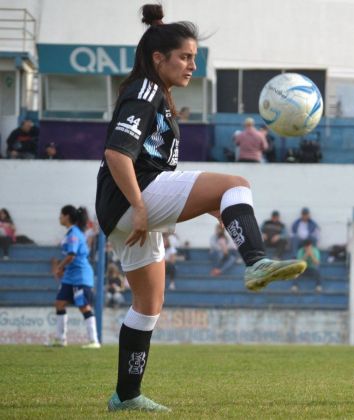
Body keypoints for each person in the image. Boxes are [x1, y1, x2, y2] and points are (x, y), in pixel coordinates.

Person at [94, 5, 306, 412]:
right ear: (160, 59)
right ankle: (257, 261)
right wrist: (139, 207)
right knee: (237, 183)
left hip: (122, 207)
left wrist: (219, 210)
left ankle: (126, 394)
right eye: (185, 57)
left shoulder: (154, 93)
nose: (193, 65)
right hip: (133, 197)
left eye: (194, 57)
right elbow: (117, 154)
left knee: (148, 304)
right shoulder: (145, 92)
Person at [48, 205, 100, 349]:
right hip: (70, 276)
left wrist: (59, 267)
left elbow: (72, 255)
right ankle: (60, 339)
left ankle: (94, 341)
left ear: (67, 216)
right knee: (59, 303)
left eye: (61, 214)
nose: (59, 217)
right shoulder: (72, 232)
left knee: (84, 306)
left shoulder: (73, 234)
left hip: (80, 276)